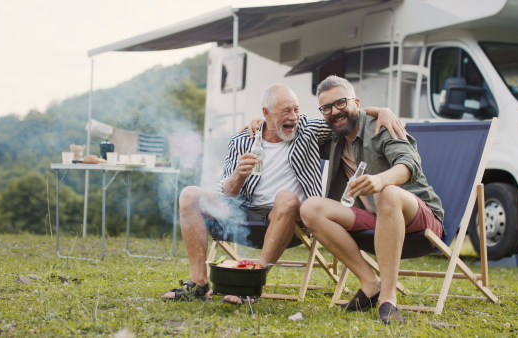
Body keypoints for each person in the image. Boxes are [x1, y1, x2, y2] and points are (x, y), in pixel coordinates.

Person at [162, 83, 406, 304]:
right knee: (190, 194)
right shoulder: (241, 140)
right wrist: (238, 176)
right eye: (286, 111)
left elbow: (343, 115)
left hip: (290, 218)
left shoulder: (308, 129)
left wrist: (381, 110)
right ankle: (200, 283)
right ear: (266, 114)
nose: (294, 117)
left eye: (296, 110)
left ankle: (251, 283)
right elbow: (228, 194)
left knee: (286, 197)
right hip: (244, 210)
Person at [300, 76, 444, 323]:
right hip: (376, 220)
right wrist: (261, 122)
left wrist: (380, 180)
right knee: (310, 208)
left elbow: (409, 165)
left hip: (418, 216)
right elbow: (291, 124)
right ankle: (370, 282)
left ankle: (388, 299)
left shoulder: (380, 127)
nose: (335, 112)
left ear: (356, 102)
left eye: (341, 103)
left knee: (387, 192)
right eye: (327, 107)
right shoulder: (333, 136)